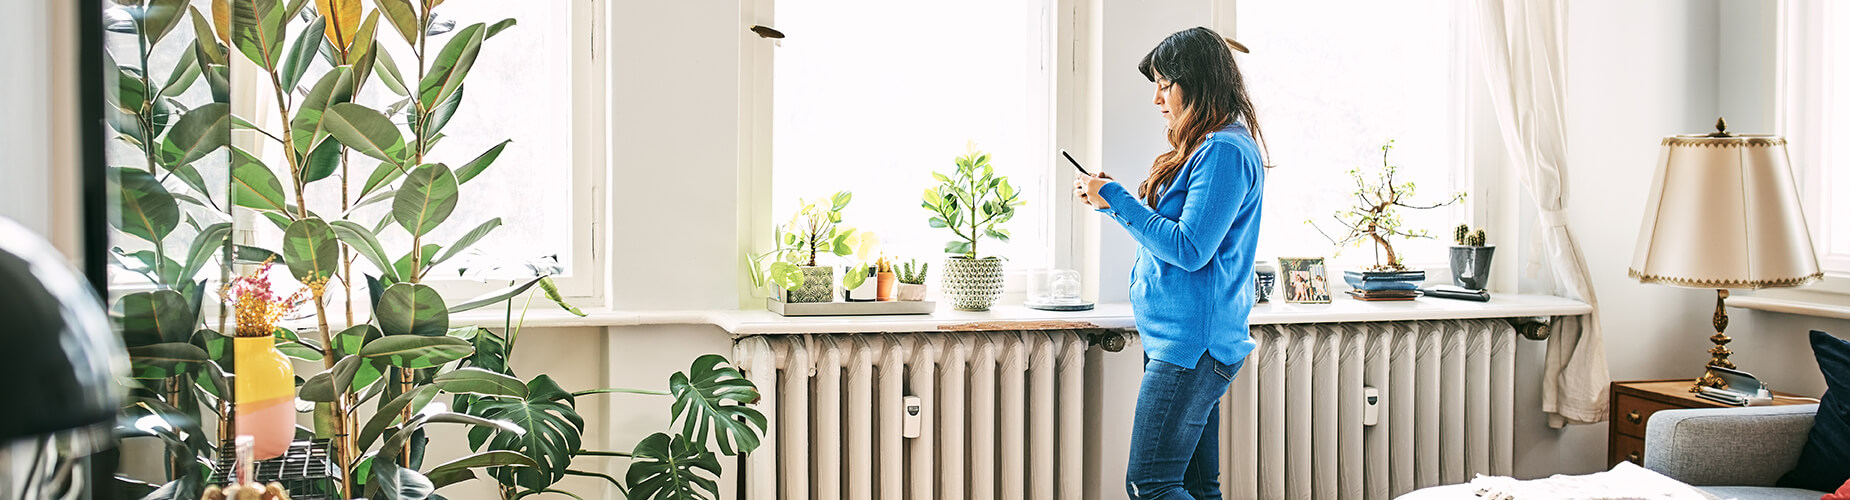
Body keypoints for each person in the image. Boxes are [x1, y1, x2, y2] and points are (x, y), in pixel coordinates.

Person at [1073, 26, 1268, 500]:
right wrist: (1113, 201)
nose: (1157, 98)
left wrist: (1116, 199)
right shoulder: (1208, 146)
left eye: (1165, 84)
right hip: (1182, 341)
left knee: (1152, 485)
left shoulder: (1223, 150)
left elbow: (1188, 248)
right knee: (1198, 487)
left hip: (1191, 346)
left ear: (1196, 80)